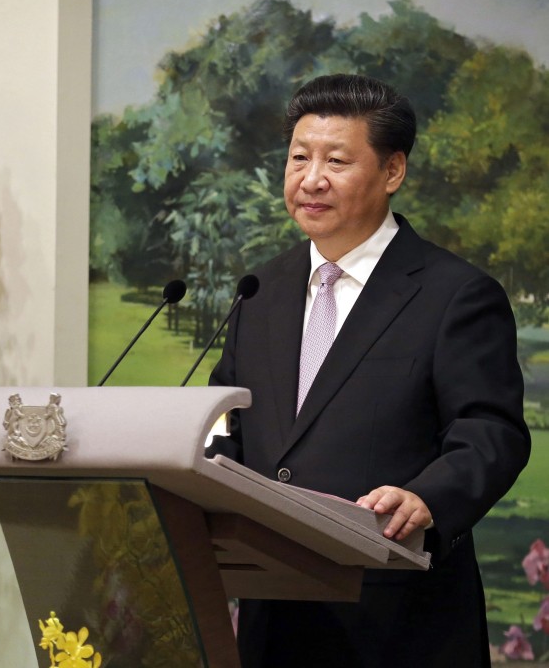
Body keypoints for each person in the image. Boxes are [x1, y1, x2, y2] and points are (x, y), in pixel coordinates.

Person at [207, 73, 530, 667]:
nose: (311, 180)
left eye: (336, 160)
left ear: (392, 172)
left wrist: (428, 498)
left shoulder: (454, 293)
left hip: (398, 620)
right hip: (274, 619)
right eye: (299, 157)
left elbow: (492, 432)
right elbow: (230, 426)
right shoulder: (260, 292)